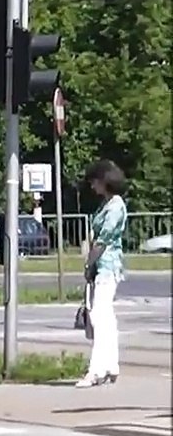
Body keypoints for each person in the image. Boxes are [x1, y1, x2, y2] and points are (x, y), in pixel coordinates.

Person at [78, 159, 128, 388]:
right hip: (103, 267)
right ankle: (111, 364)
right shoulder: (107, 204)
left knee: (99, 315)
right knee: (106, 317)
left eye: (94, 181)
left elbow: (104, 239)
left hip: (107, 266)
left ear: (104, 180)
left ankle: (96, 370)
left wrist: (89, 263)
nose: (92, 186)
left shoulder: (116, 206)